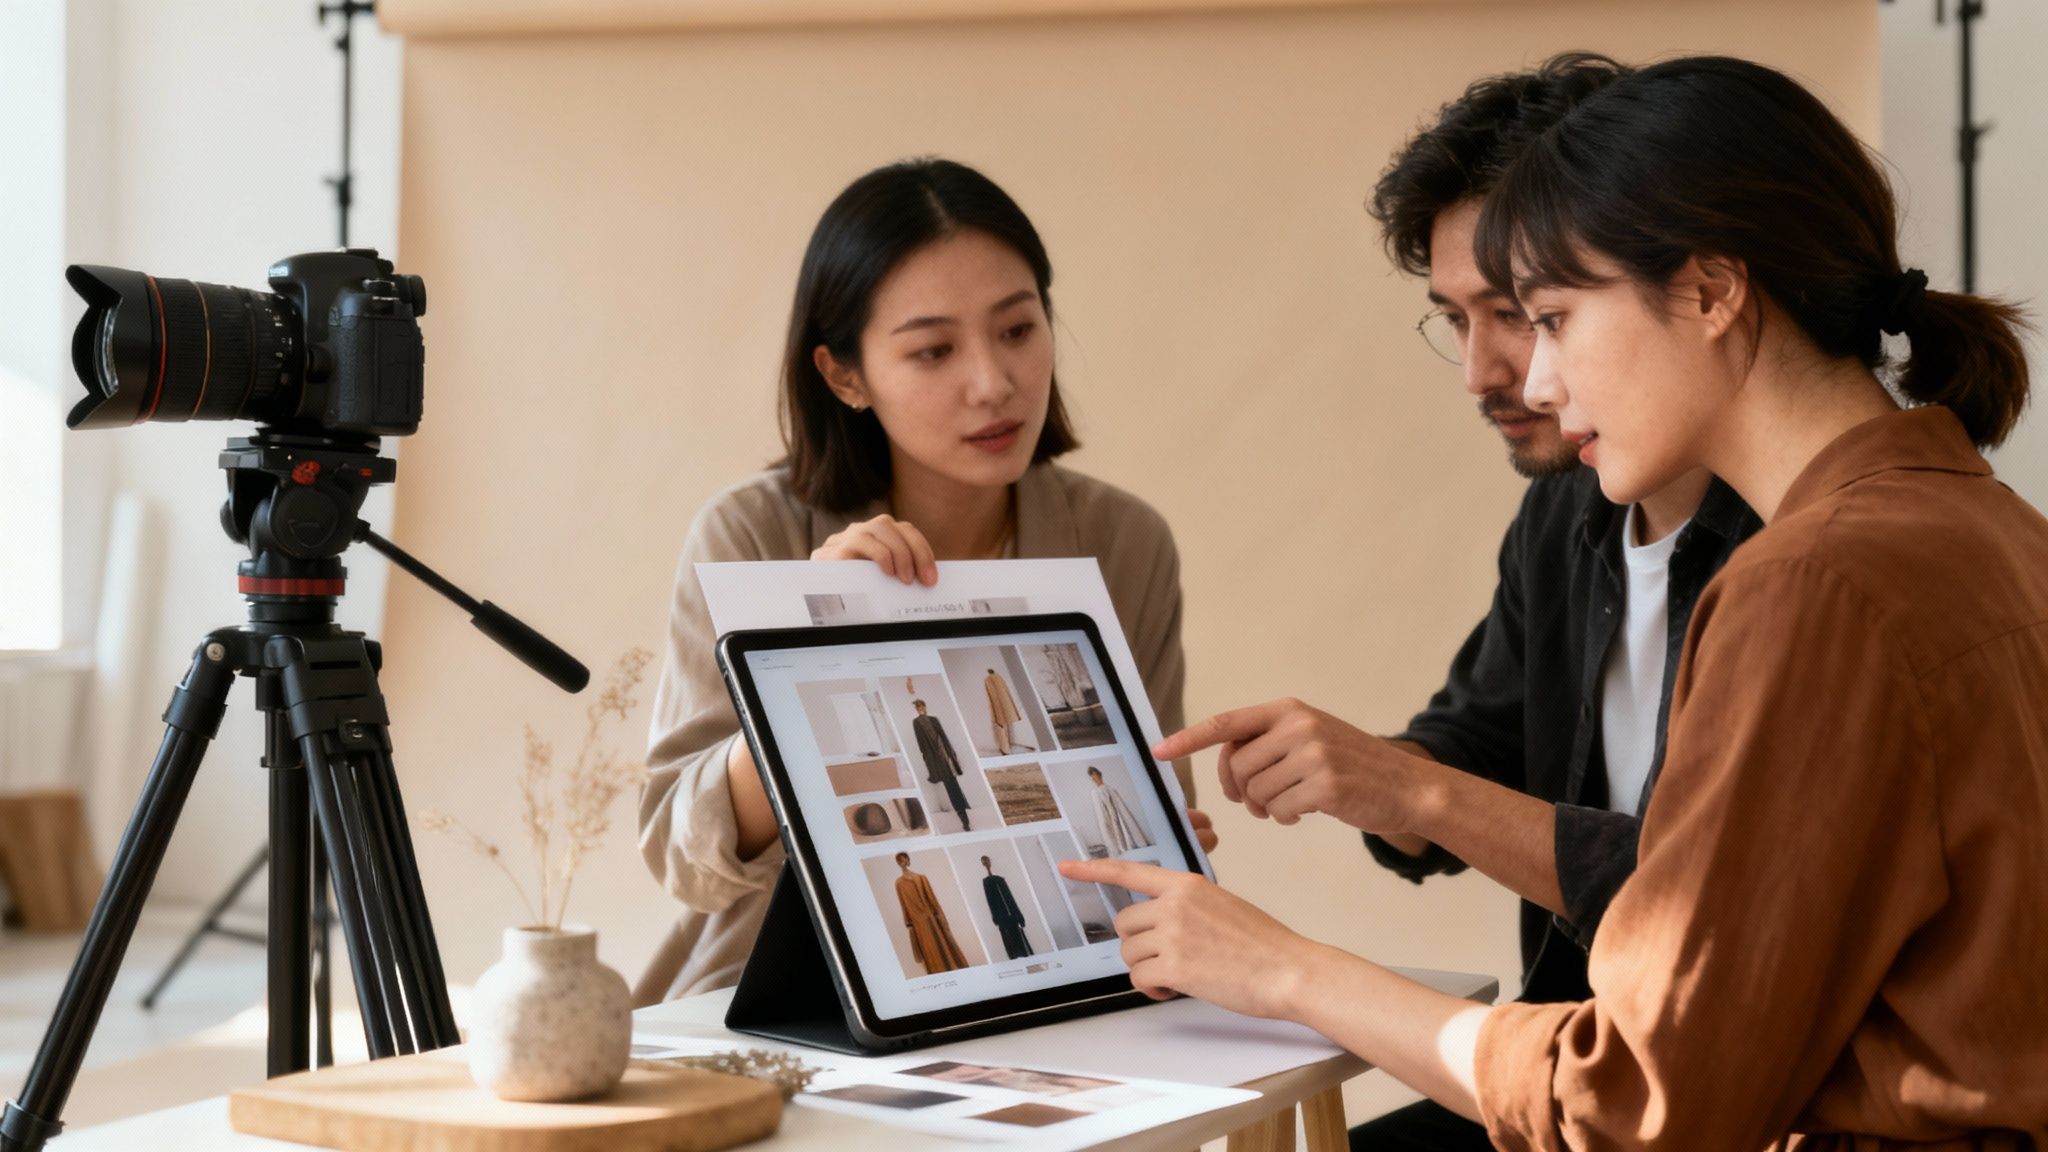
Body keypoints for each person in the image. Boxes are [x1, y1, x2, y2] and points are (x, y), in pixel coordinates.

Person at [1069, 54, 2048, 1147]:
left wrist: (1284, 971)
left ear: (1710, 291)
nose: (1529, 381)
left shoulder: (1807, 582)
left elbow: (1634, 1100)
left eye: (1550, 316)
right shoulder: (1991, 527)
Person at [1289, 53, 1765, 1148]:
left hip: (1672, 1094)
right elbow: (1476, 745)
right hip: (1566, 1061)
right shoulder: (1562, 517)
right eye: (1450, 318)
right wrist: (1352, 773)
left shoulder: (1801, 554)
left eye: (1523, 313)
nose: (1487, 371)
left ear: (1694, 284)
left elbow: (1691, 907)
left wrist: (1411, 810)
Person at [635, 157, 1212, 1005]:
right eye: (934, 349)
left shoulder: (1125, 543)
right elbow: (683, 861)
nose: (994, 382)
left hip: (1071, 980)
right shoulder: (749, 533)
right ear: (844, 375)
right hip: (792, 996)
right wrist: (803, 645)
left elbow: (1152, 824)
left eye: (1018, 329)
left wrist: (1167, 834)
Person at [910, 699, 974, 830]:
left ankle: (964, 818)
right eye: (918, 707)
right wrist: (928, 761)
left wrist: (951, 754)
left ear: (925, 707)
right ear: (916, 709)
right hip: (934, 759)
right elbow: (921, 743)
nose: (920, 709)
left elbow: (944, 737)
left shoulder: (934, 719)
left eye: (921, 706)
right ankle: (964, 818)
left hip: (945, 756)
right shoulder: (916, 722)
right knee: (951, 786)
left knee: (953, 785)